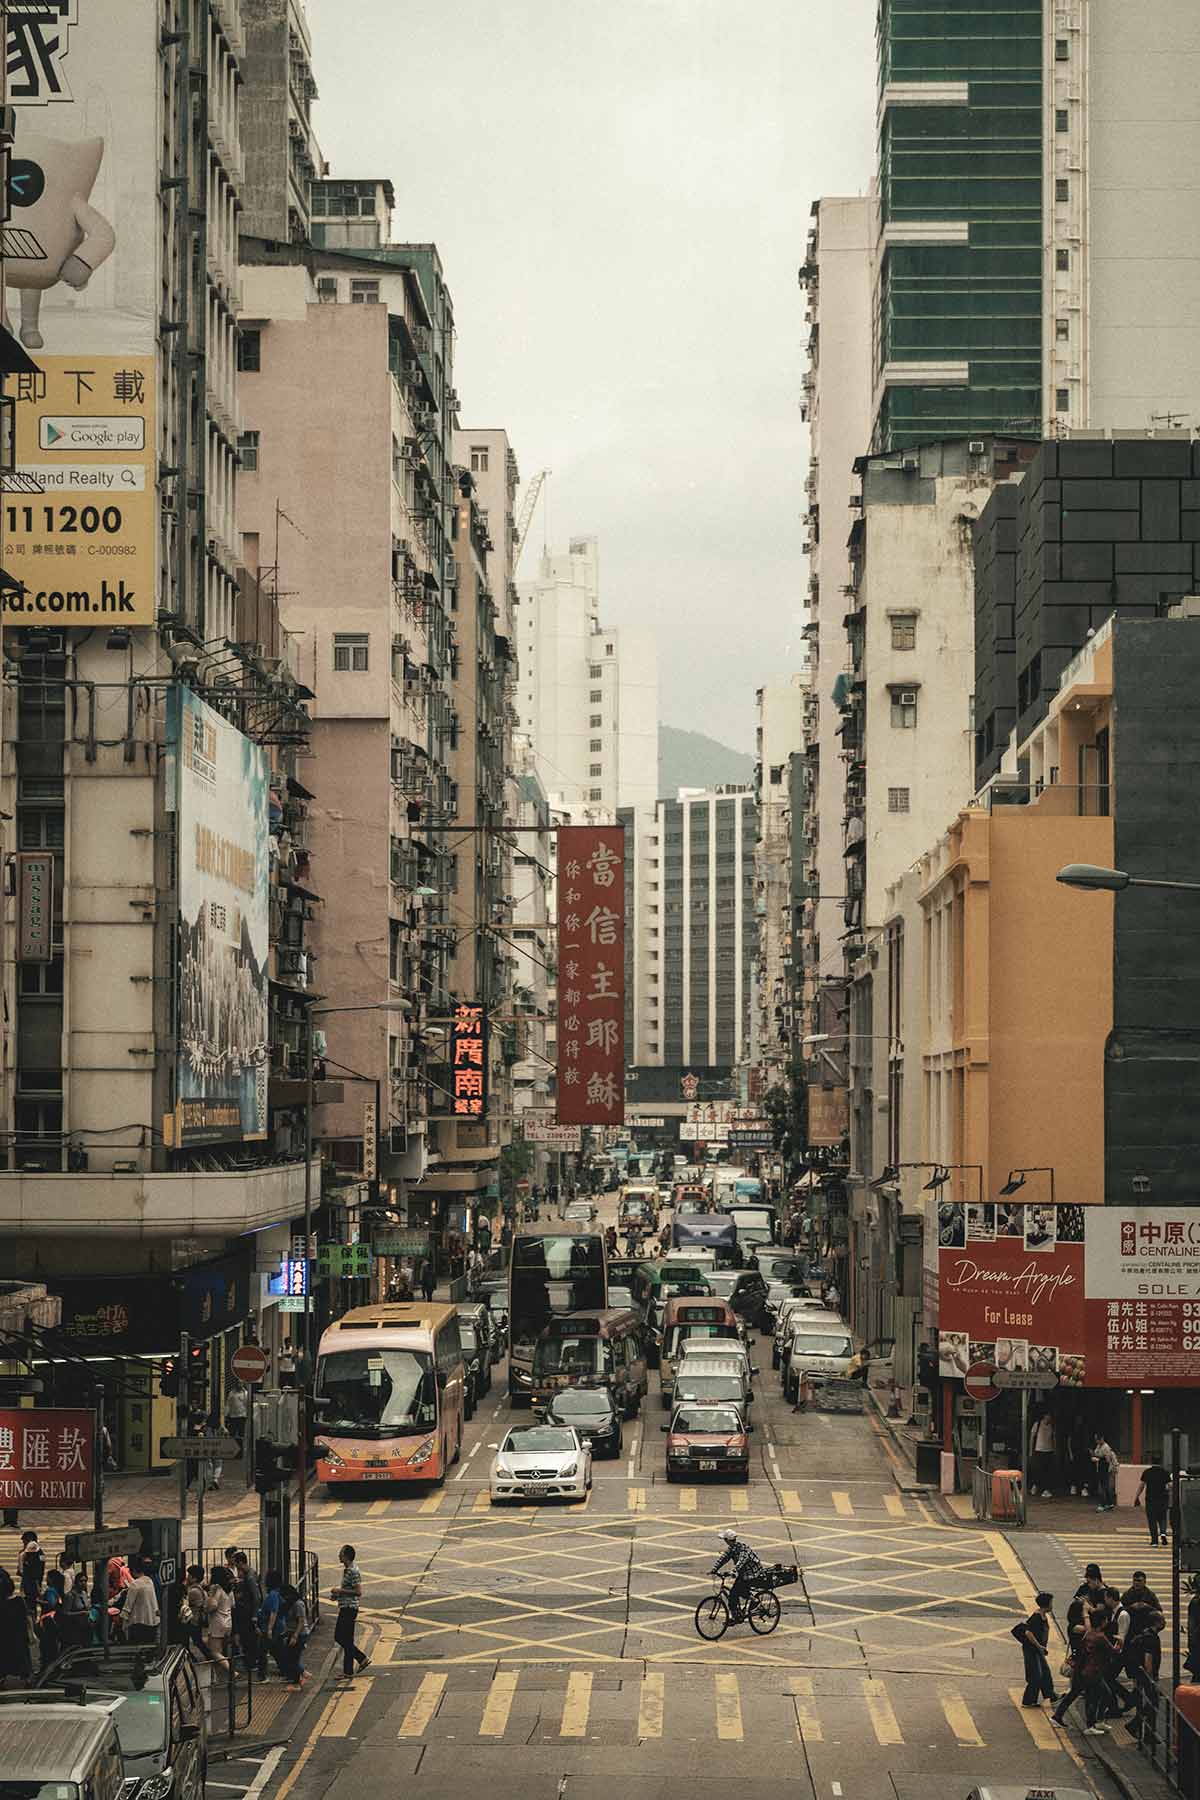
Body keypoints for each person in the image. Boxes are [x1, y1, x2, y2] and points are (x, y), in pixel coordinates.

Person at [331, 1543, 371, 1682]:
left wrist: (340, 1591)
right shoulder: (347, 1570)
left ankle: (362, 1658)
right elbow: (350, 1590)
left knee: (340, 1637)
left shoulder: (353, 1571)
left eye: (341, 1553)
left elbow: (358, 1592)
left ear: (346, 1556)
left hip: (349, 1609)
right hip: (346, 1607)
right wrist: (337, 1595)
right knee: (347, 1639)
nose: (338, 1555)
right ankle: (348, 1671)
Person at [710, 1527, 765, 1624]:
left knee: (735, 1593)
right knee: (734, 1593)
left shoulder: (743, 1549)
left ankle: (755, 1601)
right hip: (744, 1574)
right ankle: (736, 1615)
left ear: (727, 1540)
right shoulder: (732, 1548)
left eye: (725, 1540)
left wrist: (734, 1571)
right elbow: (724, 1558)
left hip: (753, 1574)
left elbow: (741, 1561)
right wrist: (714, 1569)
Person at [1017, 1591, 1058, 1706]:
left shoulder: (1043, 1616)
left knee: (1045, 1673)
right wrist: (1038, 1645)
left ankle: (1052, 1696)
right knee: (1035, 1675)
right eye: (1051, 1603)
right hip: (1032, 1650)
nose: (1052, 1605)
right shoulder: (1036, 1617)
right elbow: (1028, 1632)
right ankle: (1028, 1701)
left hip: (1038, 1650)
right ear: (1046, 1604)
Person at [0, 1569, 32, 1690]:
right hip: (18, 1636)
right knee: (22, 1659)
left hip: (7, 1637)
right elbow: (27, 1618)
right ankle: (26, 1679)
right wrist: (31, 1634)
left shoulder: (6, 1603)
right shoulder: (18, 1601)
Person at [232, 1554, 261, 1673]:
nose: (235, 1566)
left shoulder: (249, 1577)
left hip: (248, 1613)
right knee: (248, 1639)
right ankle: (251, 1662)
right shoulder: (249, 1574)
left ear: (241, 1562)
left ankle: (251, 1663)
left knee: (248, 1639)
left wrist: (254, 1615)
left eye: (236, 1563)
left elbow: (256, 1596)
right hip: (247, 1611)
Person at [123, 1555, 160, 1646]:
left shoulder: (135, 1584)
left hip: (138, 1624)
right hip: (152, 1623)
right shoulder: (149, 1581)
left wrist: (123, 1624)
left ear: (134, 1571)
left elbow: (128, 1606)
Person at [279, 1584, 309, 1690]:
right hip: (292, 1633)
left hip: (299, 1634)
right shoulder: (290, 1604)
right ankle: (301, 1676)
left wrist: (295, 1636)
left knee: (292, 1658)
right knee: (290, 1657)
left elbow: (301, 1621)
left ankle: (298, 1682)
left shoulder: (298, 1604)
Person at [1134, 1461, 1170, 1546]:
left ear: (1151, 1462)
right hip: (1163, 1498)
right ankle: (1163, 1533)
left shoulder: (1147, 1472)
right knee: (1162, 1517)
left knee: (1152, 1519)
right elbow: (1170, 1485)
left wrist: (1137, 1496)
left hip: (1150, 1499)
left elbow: (1141, 1485)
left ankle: (1154, 1541)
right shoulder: (1165, 1472)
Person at [205, 1566, 233, 1670]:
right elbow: (233, 1604)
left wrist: (206, 1608)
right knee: (222, 1651)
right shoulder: (229, 1590)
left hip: (217, 1622)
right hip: (228, 1621)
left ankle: (232, 1671)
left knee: (214, 1652)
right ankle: (221, 1675)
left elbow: (213, 1605)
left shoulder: (216, 1588)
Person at [257, 1568, 283, 1679]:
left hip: (270, 1627)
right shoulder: (275, 1593)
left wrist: (269, 1629)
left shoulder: (273, 1595)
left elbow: (273, 1612)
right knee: (275, 1650)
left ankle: (262, 1676)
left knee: (262, 1651)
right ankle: (286, 1669)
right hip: (272, 1626)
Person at [1031, 1412, 1056, 1497]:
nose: (1049, 1418)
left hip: (1049, 1450)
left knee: (1047, 1471)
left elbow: (1053, 1438)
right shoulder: (1037, 1424)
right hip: (1039, 1450)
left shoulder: (1052, 1425)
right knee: (1038, 1469)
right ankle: (1035, 1486)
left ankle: (1046, 1489)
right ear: (1045, 1416)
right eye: (1048, 1416)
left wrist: (1054, 1449)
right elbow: (1032, 1437)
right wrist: (1030, 1451)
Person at [17, 1531, 44, 1605]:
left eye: (24, 1542)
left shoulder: (32, 1548)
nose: (24, 1544)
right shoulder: (38, 1553)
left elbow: (33, 1571)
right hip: (31, 1581)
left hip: (32, 1583)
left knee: (30, 1602)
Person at [1092, 1433, 1118, 1512]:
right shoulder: (1099, 1446)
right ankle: (1109, 1503)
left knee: (1102, 1487)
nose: (1096, 1441)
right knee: (1105, 1487)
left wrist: (1098, 1459)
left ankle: (1102, 1504)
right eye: (1095, 1439)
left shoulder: (1106, 1447)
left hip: (1105, 1469)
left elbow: (1107, 1460)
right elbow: (1096, 1453)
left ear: (1102, 1438)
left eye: (1097, 1439)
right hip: (1100, 1468)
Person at [224, 1379, 248, 1455]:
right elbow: (228, 1404)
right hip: (233, 1416)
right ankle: (232, 1450)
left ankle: (241, 1450)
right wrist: (226, 1415)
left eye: (241, 1383)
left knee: (241, 1434)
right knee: (232, 1433)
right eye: (238, 1383)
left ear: (243, 1384)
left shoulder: (246, 1393)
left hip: (242, 1416)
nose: (239, 1384)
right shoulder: (232, 1393)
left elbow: (248, 1405)